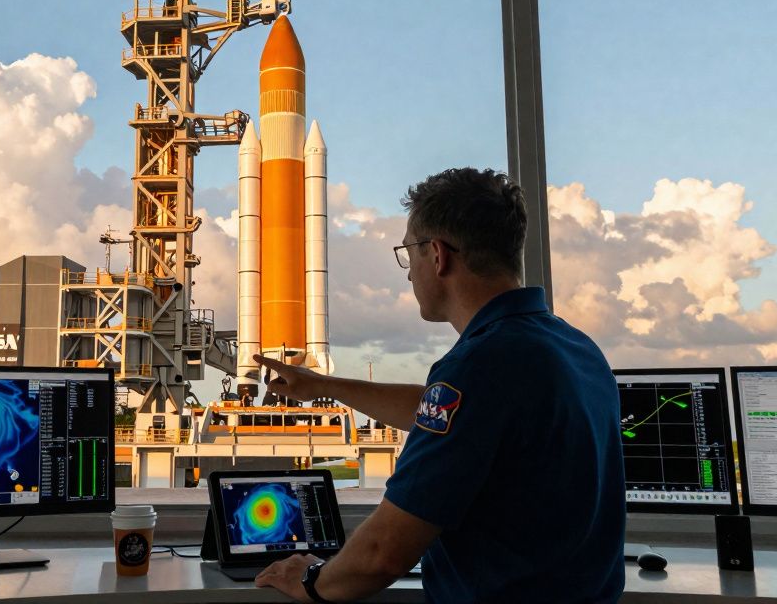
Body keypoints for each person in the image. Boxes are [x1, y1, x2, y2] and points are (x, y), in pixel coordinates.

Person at [253, 167, 625, 603]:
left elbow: (382, 554)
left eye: (408, 253)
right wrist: (325, 386)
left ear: (437, 255)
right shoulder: (576, 348)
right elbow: (451, 415)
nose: (409, 273)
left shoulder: (480, 367)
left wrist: (312, 580)